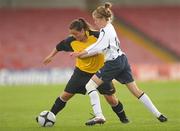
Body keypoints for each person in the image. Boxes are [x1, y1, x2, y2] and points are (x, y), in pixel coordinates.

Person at [71, 2, 168, 125]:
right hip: (122, 59)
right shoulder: (110, 26)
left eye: (96, 20)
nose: (95, 22)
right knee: (136, 91)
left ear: (102, 19)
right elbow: (100, 48)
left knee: (89, 86)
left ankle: (99, 116)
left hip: (113, 63)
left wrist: (80, 53)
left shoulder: (104, 32)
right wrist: (83, 54)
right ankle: (158, 115)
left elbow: (96, 46)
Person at [42, 18, 129, 125]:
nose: (74, 36)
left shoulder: (97, 36)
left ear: (83, 31)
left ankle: (124, 119)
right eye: (72, 34)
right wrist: (50, 56)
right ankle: (49, 116)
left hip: (100, 72)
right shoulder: (71, 41)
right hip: (81, 72)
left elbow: (110, 44)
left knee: (111, 99)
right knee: (65, 95)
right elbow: (58, 47)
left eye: (76, 34)